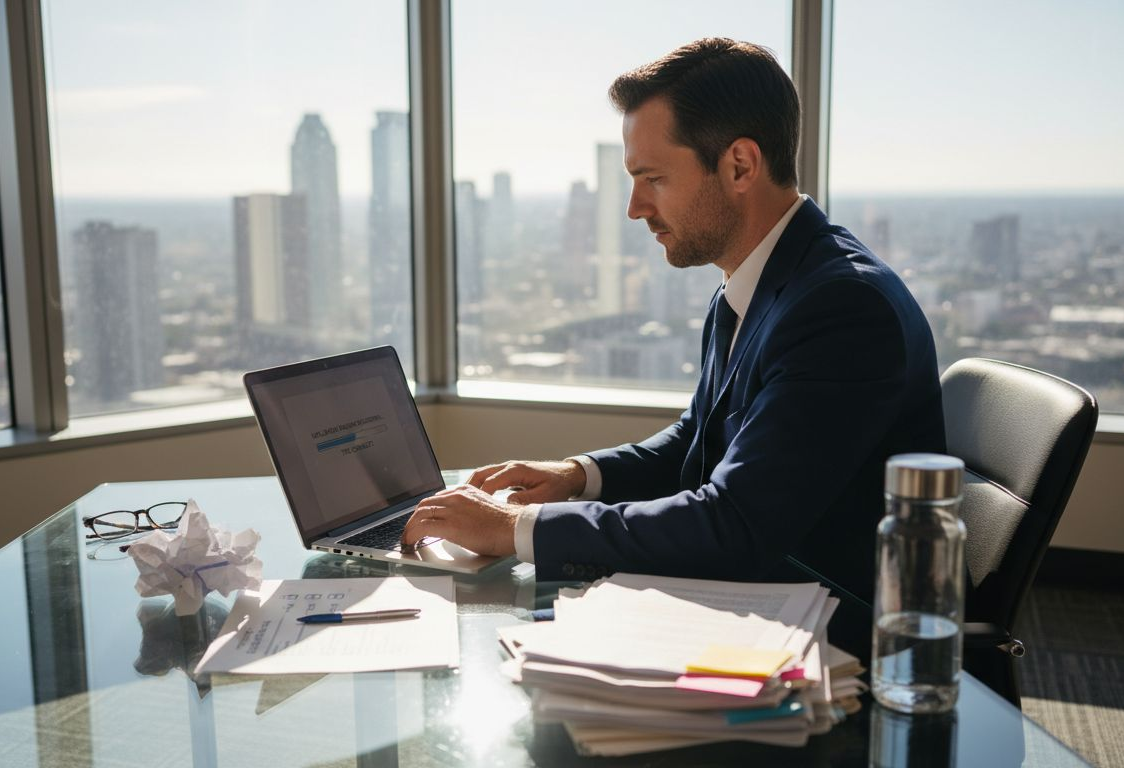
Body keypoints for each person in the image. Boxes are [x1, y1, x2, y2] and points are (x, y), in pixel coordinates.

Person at [402, 38, 945, 605]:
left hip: (835, 628)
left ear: (739, 165)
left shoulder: (843, 307)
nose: (635, 207)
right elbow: (699, 441)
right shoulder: (761, 282)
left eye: (653, 178)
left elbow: (735, 524)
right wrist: (577, 475)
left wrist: (514, 528)